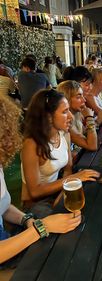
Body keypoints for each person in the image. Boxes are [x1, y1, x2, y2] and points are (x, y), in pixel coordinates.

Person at [0, 94, 81, 265]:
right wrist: (41, 227)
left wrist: (27, 219)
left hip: (12, 234)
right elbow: (34, 191)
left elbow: (4, 206)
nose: (10, 138)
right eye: (6, 133)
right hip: (6, 255)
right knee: (64, 249)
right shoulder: (33, 143)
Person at [21, 89, 100, 218]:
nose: (71, 116)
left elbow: (68, 170)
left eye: (68, 110)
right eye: (64, 112)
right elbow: (34, 191)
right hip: (35, 203)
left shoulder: (63, 134)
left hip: (56, 191)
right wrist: (75, 178)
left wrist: (63, 194)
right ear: (48, 116)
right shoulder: (32, 144)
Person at [57, 80, 97, 152]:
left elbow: (86, 134)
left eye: (83, 96)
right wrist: (89, 118)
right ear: (67, 99)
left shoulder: (78, 115)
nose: (84, 100)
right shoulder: (65, 121)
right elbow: (92, 146)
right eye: (78, 97)